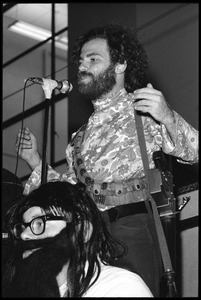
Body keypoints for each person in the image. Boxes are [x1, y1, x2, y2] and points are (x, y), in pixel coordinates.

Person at [15, 23, 198, 297]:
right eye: (81, 61)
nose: (83, 67)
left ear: (120, 65)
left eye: (93, 59)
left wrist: (168, 117)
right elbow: (68, 198)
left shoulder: (145, 111)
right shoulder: (78, 138)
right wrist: (35, 161)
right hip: (86, 238)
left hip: (132, 228)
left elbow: (194, 152)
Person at [2, 181, 153, 297]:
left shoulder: (120, 287)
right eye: (22, 227)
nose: (24, 235)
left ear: (82, 231)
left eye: (39, 223)